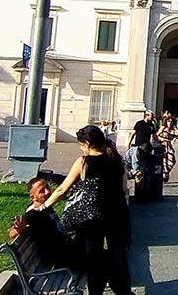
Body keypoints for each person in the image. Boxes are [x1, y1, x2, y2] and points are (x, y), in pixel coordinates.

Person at [38, 125, 132, 295]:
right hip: (117, 214)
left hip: (92, 218)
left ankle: (95, 292)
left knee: (93, 258)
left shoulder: (84, 162)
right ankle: (124, 291)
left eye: (81, 144)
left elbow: (62, 190)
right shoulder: (118, 160)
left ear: (87, 143)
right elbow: (125, 189)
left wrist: (44, 206)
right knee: (119, 257)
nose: (81, 148)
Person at [8, 177, 78, 269]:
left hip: (69, 252)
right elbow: (12, 233)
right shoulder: (33, 214)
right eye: (41, 191)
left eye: (47, 188)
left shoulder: (45, 207)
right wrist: (18, 230)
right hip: (62, 260)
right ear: (33, 197)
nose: (47, 192)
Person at [157, 116, 178, 182]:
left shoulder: (173, 130)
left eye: (171, 122)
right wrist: (161, 139)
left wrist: (175, 127)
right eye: (168, 121)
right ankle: (164, 176)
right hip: (163, 145)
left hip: (169, 146)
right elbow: (156, 135)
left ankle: (165, 173)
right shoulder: (163, 128)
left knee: (172, 161)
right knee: (164, 161)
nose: (170, 123)